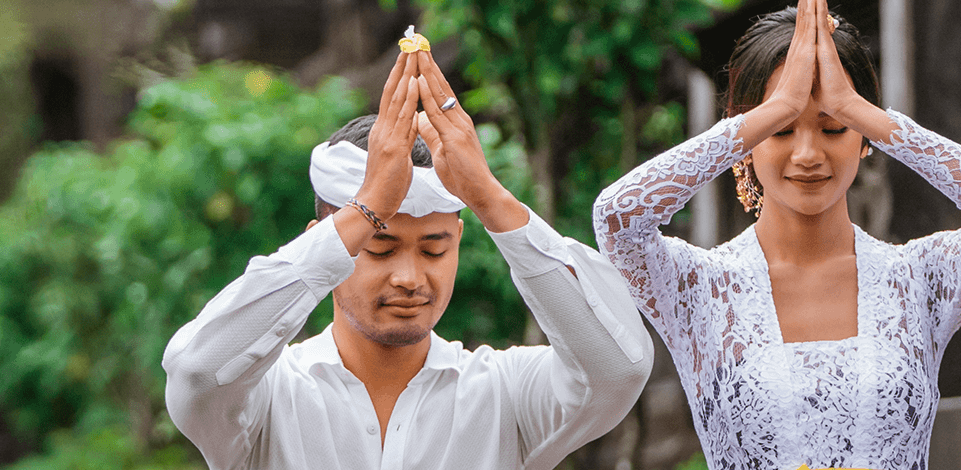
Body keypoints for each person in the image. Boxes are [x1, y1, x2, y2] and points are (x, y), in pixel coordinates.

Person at [589, 0, 961, 467]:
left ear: (862, 136)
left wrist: (859, 110)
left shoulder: (917, 277)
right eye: (782, 131)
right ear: (748, 138)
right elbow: (617, 217)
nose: (808, 153)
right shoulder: (699, 287)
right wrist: (769, 111)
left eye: (833, 129)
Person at [161, 42, 653, 470]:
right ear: (326, 242)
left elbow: (619, 368)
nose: (409, 278)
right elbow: (196, 372)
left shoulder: (504, 396)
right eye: (378, 246)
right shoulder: (266, 400)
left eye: (434, 249)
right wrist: (367, 208)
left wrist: (490, 198)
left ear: (457, 242)